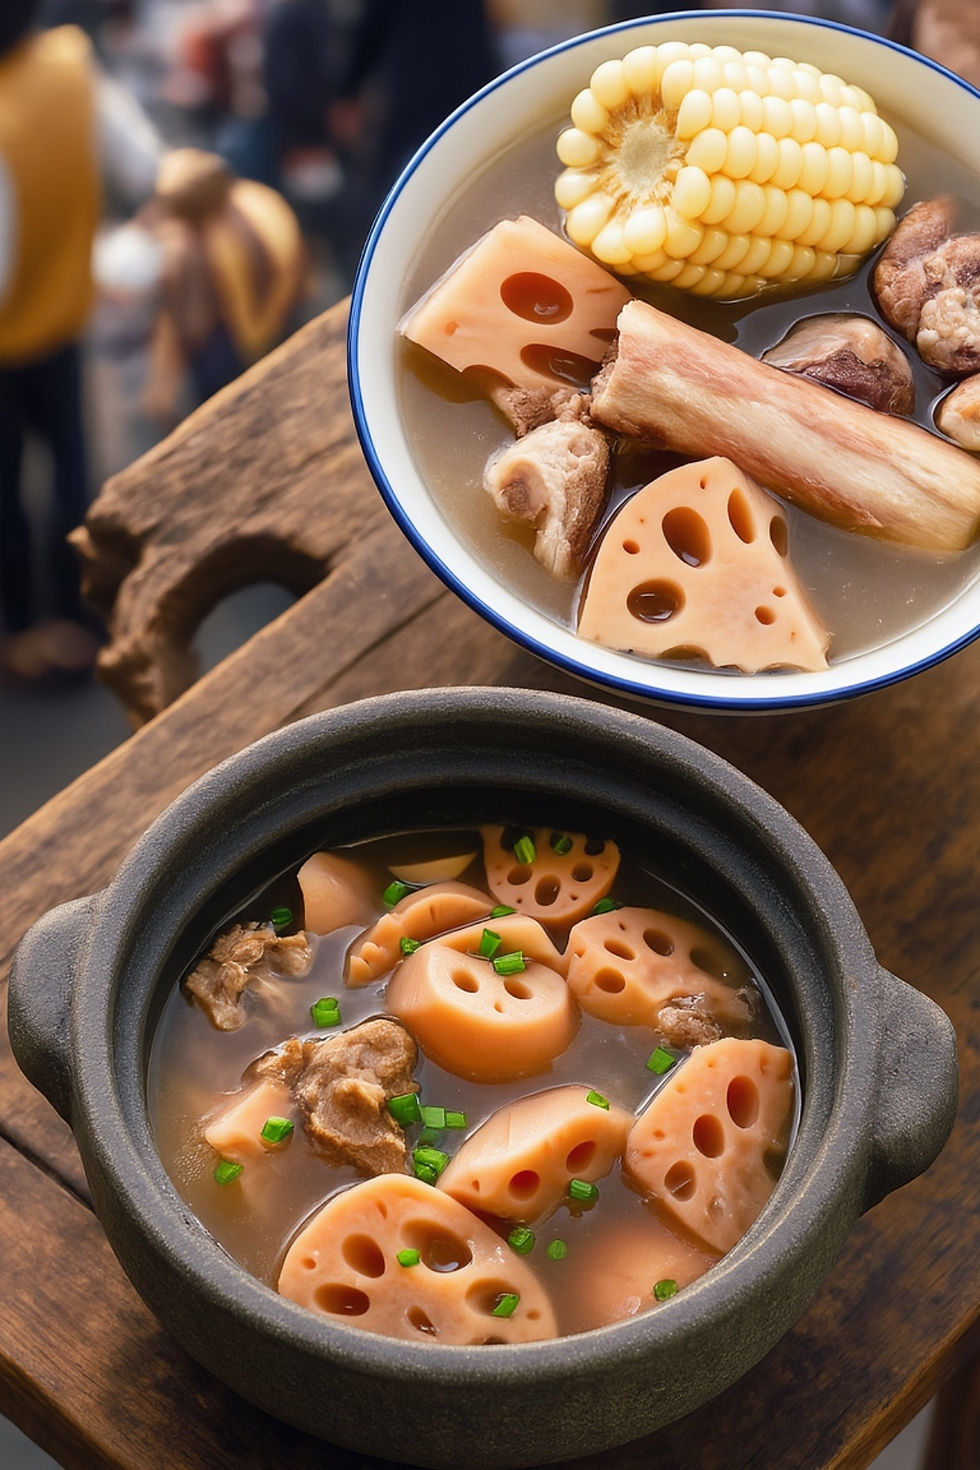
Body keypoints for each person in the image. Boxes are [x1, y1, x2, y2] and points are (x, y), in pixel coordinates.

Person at [0, 0, 161, 682]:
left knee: (7, 490)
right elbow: (145, 165)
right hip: (65, 320)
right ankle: (80, 611)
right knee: (72, 467)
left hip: (8, 341)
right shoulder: (70, 63)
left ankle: (22, 629)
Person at [140, 146, 307, 425]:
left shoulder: (213, 252)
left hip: (245, 340)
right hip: (284, 316)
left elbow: (192, 323)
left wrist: (163, 383)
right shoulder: (260, 198)